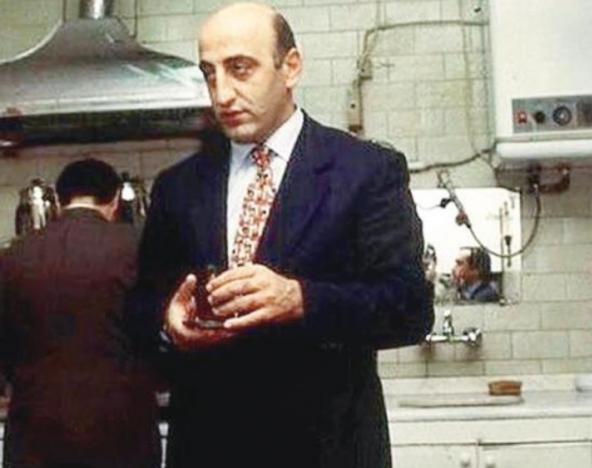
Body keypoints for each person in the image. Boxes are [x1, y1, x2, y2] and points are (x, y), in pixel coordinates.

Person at [131, 2, 433, 467]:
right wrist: (168, 323)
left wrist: (301, 299)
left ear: (290, 67)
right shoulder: (179, 186)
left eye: (240, 69)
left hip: (328, 449)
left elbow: (409, 307)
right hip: (209, 448)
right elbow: (140, 306)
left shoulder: (365, 171)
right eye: (210, 74)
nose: (222, 94)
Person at [0, 158, 161, 468]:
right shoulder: (139, 248)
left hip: (35, 428)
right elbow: (160, 331)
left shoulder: (14, 255)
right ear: (115, 200)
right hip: (122, 425)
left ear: (60, 201)